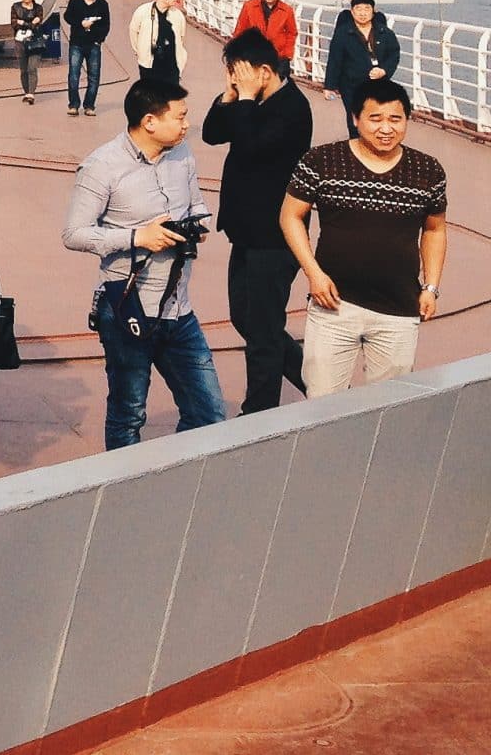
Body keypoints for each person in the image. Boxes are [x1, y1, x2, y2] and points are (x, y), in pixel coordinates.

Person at [63, 78, 226, 448]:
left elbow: (197, 205)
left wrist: (195, 225)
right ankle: (125, 492)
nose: (187, 125)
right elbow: (73, 234)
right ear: (150, 121)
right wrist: (139, 237)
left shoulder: (182, 154)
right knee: (128, 413)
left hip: (178, 309)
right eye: (181, 117)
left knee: (209, 413)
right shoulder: (102, 166)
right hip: (126, 307)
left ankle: (173, 477)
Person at [282, 82, 447, 393]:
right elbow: (290, 215)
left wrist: (431, 287)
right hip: (333, 306)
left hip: (399, 311)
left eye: (395, 119)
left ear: (407, 120)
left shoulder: (428, 170)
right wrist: (313, 274)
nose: (386, 128)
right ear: (356, 118)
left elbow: (435, 229)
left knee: (389, 410)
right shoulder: (322, 161)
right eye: (375, 119)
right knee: (322, 405)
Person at [201, 33, 313, 412]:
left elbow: (249, 147)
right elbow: (213, 133)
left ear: (264, 72)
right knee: (245, 318)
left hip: (275, 238)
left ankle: (259, 413)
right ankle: (317, 381)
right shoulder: (252, 102)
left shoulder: (292, 109)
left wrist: (246, 100)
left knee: (263, 333)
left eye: (238, 74)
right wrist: (231, 97)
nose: (233, 80)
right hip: (246, 234)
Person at [324, 0, 401, 128]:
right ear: (352, 12)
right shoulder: (343, 33)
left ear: (373, 11)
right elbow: (335, 60)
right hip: (350, 84)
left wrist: (384, 70)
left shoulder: (384, 32)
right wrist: (329, 86)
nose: (363, 13)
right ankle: (355, 144)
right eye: (358, 9)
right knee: (355, 117)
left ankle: (372, 146)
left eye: (367, 9)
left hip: (378, 83)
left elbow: (393, 54)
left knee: (376, 115)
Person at [62, 0, 112, 116]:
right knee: (73, 75)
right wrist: (80, 23)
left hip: (93, 45)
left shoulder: (102, 4)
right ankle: (73, 105)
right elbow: (67, 17)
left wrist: (98, 39)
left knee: (94, 76)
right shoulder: (75, 1)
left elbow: (106, 25)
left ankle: (89, 105)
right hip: (77, 43)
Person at [128, 0, 189, 88]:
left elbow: (181, 38)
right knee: (150, 100)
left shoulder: (178, 15)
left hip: (171, 67)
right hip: (148, 65)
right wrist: (140, 51)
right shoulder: (142, 11)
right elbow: (133, 32)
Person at [232, 0, 299, 67]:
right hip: (253, 55)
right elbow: (240, 30)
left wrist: (287, 55)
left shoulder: (287, 11)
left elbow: (292, 33)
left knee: (278, 80)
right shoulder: (249, 6)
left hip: (278, 56)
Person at [7, 0, 58, 105]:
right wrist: (29, 22)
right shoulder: (15, 7)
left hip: (35, 41)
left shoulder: (38, 8)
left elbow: (37, 23)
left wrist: (23, 22)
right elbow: (14, 23)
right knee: (23, 69)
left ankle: (31, 93)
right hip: (20, 41)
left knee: (32, 67)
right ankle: (26, 91)